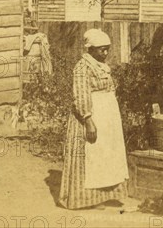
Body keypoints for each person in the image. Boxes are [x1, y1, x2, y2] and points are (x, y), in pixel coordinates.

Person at [59, 29, 129, 209]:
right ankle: (86, 198)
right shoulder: (82, 68)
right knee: (92, 156)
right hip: (91, 116)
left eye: (107, 49)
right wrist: (89, 121)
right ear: (90, 49)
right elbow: (81, 95)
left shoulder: (101, 65)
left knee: (107, 155)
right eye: (101, 50)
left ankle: (106, 195)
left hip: (107, 117)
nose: (105, 53)